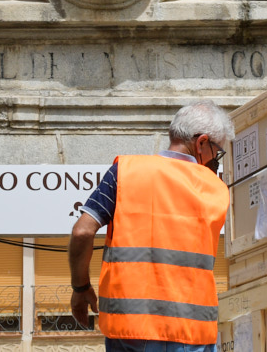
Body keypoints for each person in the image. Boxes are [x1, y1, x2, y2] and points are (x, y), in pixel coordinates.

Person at [68, 100, 234, 352]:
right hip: (188, 333)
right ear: (201, 143)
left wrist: (81, 288)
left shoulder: (125, 171)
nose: (215, 160)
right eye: (217, 151)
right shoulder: (215, 189)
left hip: (127, 329)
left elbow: (82, 231)